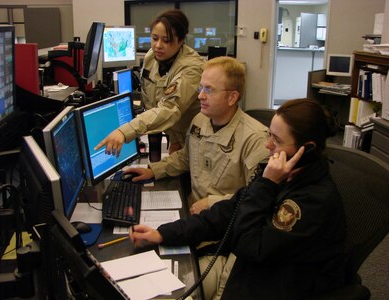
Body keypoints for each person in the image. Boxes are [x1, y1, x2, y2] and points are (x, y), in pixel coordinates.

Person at [129, 99, 347, 300]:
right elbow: (226, 213)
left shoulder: (313, 201)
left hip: (270, 285)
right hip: (243, 269)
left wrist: (267, 185)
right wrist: (163, 233)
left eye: (277, 140)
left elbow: (250, 245)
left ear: (306, 150)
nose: (268, 145)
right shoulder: (282, 176)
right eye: (270, 135)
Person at [125, 56, 269, 213]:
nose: (200, 96)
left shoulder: (255, 139)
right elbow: (186, 157)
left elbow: (256, 197)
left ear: (232, 97)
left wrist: (211, 203)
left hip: (222, 222)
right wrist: (153, 170)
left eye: (209, 89)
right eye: (200, 88)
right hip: (192, 211)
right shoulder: (200, 120)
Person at [95, 9, 203, 156]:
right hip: (164, 132)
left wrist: (126, 131)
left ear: (181, 41)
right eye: (154, 38)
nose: (158, 45)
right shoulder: (152, 57)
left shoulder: (192, 68)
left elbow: (170, 109)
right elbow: (150, 97)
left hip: (189, 138)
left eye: (166, 40)